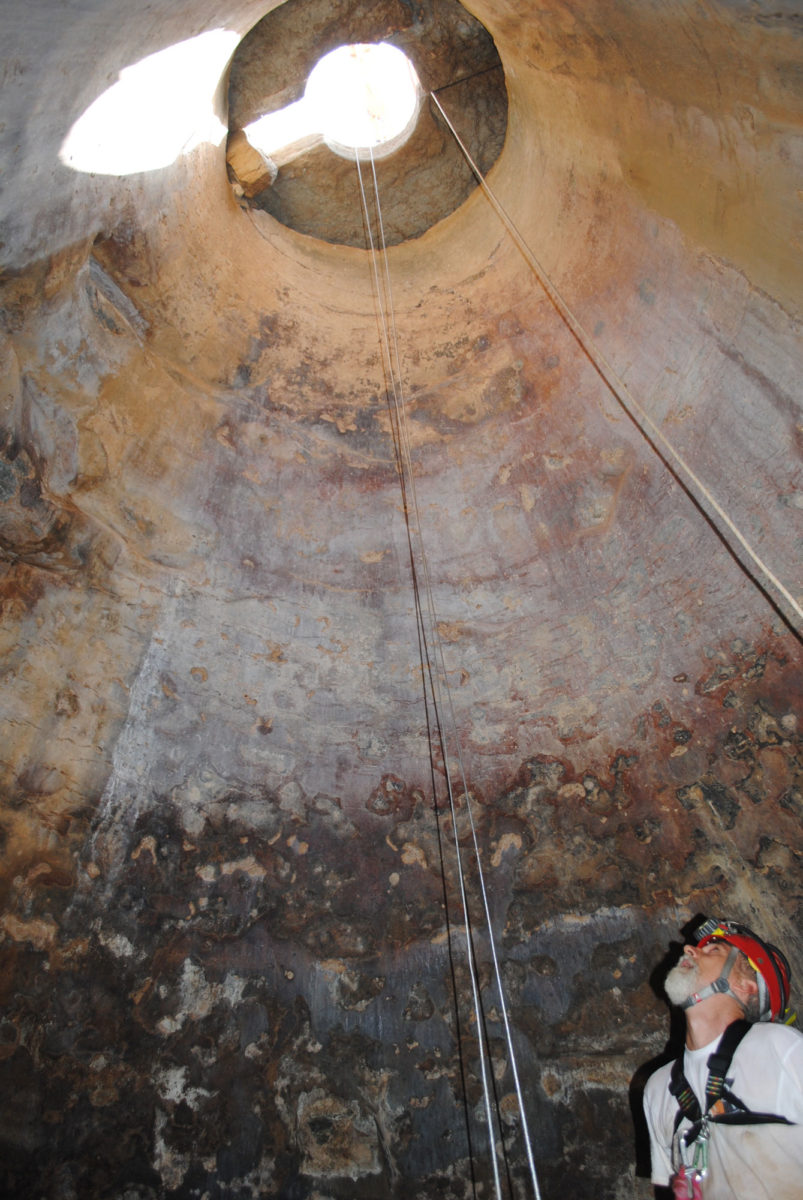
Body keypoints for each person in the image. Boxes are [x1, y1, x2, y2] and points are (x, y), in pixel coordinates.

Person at [643, 916, 803, 1199]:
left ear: (746, 983)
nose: (689, 950)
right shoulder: (658, 1088)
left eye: (713, 950)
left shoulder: (781, 1048)